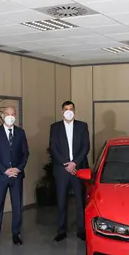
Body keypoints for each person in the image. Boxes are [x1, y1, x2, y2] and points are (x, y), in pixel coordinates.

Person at [48, 100, 90, 242]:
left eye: (71, 109)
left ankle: (81, 230)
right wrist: (66, 164)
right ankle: (61, 230)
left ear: (74, 111)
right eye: (66, 109)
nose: (68, 111)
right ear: (62, 112)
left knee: (80, 200)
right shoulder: (55, 127)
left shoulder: (82, 126)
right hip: (61, 169)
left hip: (78, 169)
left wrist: (74, 163)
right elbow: (53, 148)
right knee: (61, 200)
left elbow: (86, 147)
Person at [0, 106, 29, 247]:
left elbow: (25, 154)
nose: (10, 116)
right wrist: (5, 170)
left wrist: (18, 168)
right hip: (0, 175)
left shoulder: (21, 133)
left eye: (12, 114)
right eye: (7, 114)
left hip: (17, 175)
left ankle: (16, 233)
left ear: (16, 116)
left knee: (17, 206)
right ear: (3, 116)